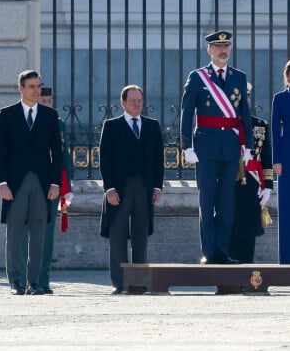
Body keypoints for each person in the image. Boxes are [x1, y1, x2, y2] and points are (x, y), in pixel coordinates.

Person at [180, 30, 253, 264]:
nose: (223, 50)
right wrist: (186, 146)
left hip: (230, 148)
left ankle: (222, 250)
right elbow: (187, 111)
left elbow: (245, 115)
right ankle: (208, 252)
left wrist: (248, 146)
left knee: (226, 203)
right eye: (218, 46)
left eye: (226, 46)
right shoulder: (198, 77)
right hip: (206, 148)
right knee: (207, 200)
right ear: (209, 50)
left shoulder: (238, 77)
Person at [0, 70, 62, 295]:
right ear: (21, 88)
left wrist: (55, 183)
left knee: (39, 232)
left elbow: (57, 153)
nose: (36, 90)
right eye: (32, 86)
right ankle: (16, 281)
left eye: (38, 86)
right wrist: (2, 183)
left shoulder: (50, 116)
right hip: (15, 183)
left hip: (42, 183)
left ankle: (36, 282)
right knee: (15, 233)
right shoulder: (7, 115)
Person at [99, 85, 164, 295]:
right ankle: (120, 282)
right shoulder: (111, 126)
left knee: (140, 235)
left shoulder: (152, 126)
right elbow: (104, 160)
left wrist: (157, 186)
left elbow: (158, 160)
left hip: (144, 188)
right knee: (117, 235)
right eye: (133, 100)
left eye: (140, 100)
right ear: (123, 103)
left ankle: (139, 281)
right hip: (119, 189)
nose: (137, 104)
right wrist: (109, 188)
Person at [20, 86, 74, 294]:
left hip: (51, 186)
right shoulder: (24, 121)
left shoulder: (58, 124)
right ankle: (28, 279)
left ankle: (43, 280)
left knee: (47, 235)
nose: (46, 105)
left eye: (49, 101)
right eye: (42, 101)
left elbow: (63, 155)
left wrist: (66, 184)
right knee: (27, 234)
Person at [229, 83, 274, 264]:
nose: (243, 101)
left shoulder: (260, 125)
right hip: (229, 183)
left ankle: (247, 274)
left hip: (253, 184)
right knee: (229, 229)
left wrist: (268, 186)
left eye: (246, 97)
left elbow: (266, 157)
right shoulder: (225, 124)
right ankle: (230, 281)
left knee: (248, 230)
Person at [271, 59, 290, 264]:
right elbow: (275, 131)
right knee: (287, 210)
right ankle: (286, 261)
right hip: (287, 157)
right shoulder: (279, 98)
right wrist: (276, 160)